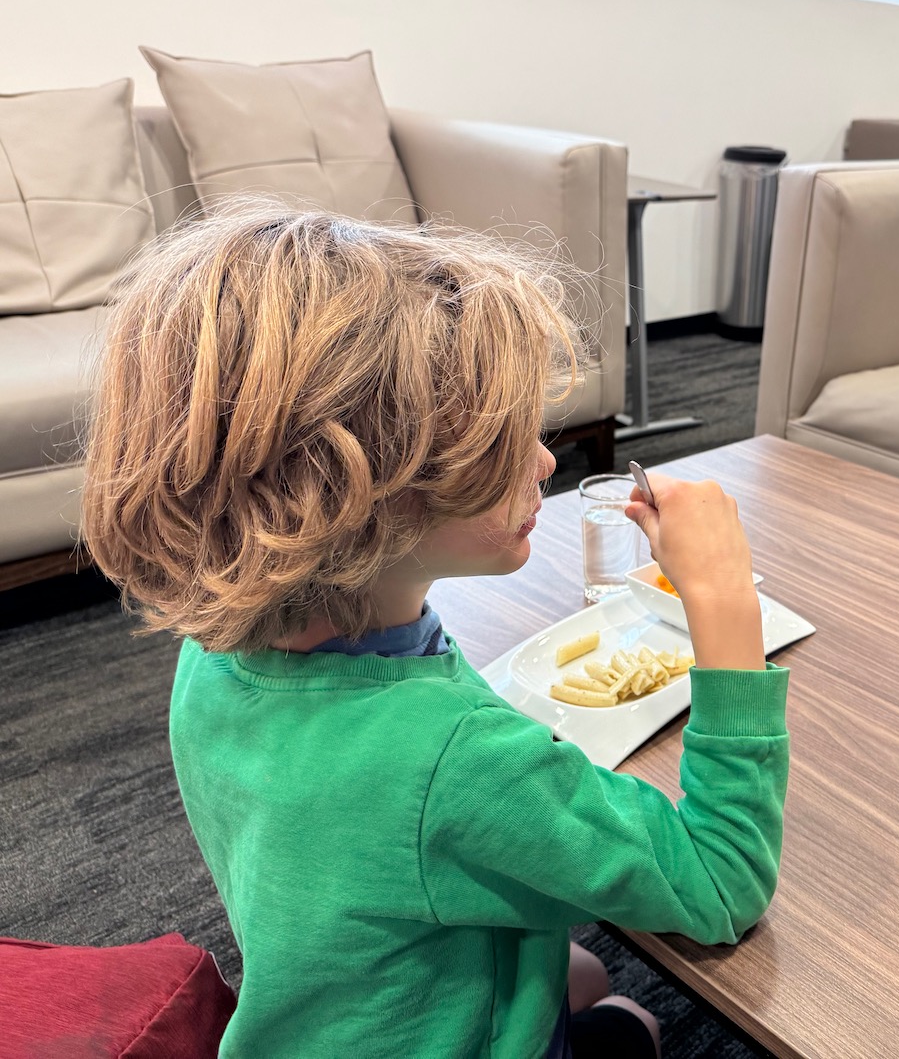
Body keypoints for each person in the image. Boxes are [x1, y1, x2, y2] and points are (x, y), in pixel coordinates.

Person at [79, 200, 790, 1059]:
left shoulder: (213, 654)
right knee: (631, 1015)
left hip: (326, 1012)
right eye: (503, 442)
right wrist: (721, 600)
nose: (544, 460)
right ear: (365, 496)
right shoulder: (459, 759)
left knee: (579, 972)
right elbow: (721, 882)